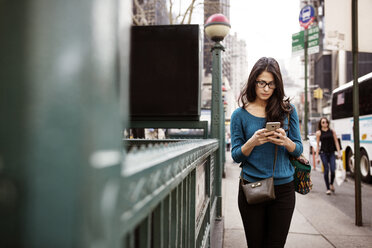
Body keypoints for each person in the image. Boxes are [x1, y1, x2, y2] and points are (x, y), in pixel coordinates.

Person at [230, 57, 303, 247]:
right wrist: (252, 142)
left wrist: (285, 141)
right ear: (253, 81)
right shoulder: (239, 114)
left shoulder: (288, 110)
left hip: (284, 190)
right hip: (251, 187)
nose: (266, 88)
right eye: (261, 82)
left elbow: (299, 148)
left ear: (277, 85)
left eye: (271, 84)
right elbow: (236, 154)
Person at [315, 117, 341, 195]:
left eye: (326, 122)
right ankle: (328, 188)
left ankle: (331, 183)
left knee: (333, 170)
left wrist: (339, 153)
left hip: (332, 153)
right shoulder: (318, 133)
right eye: (323, 122)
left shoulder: (332, 131)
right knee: (326, 170)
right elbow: (317, 145)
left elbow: (336, 142)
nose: (325, 123)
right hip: (323, 153)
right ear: (320, 124)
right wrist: (317, 157)